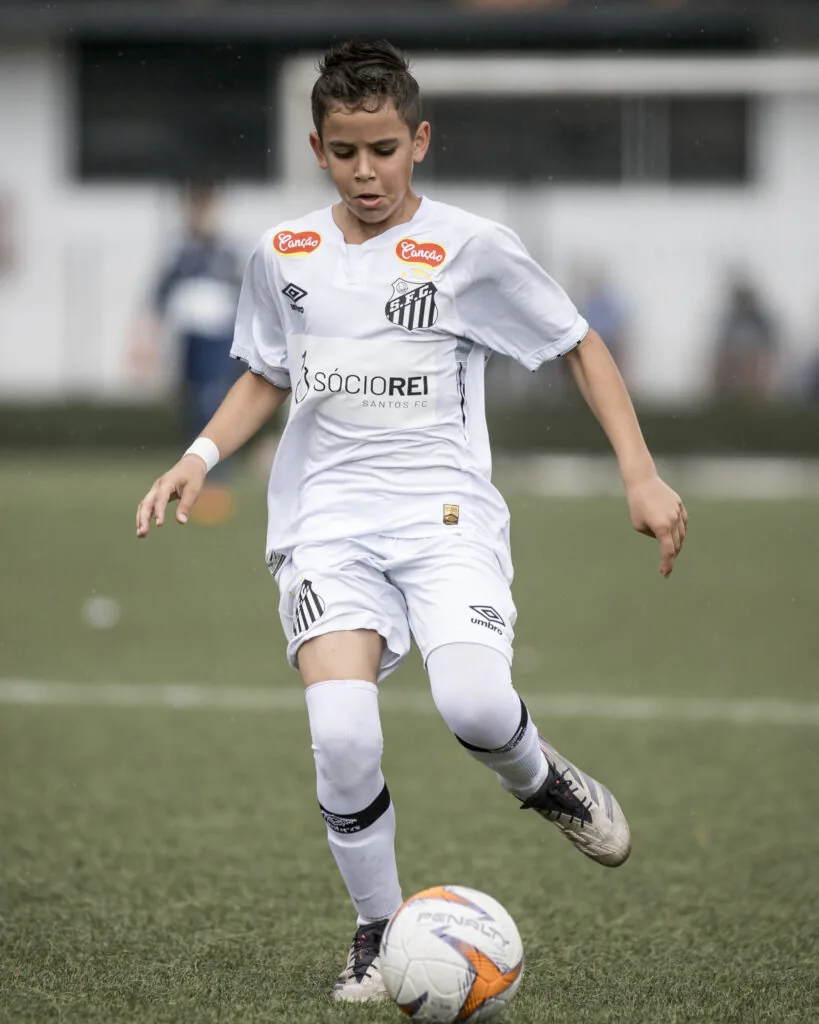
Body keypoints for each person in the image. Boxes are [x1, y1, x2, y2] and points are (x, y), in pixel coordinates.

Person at [135, 40, 688, 1003]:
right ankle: (377, 929)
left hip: (445, 519)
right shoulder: (282, 253)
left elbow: (578, 344)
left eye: (384, 150)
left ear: (419, 142)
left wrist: (639, 476)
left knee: (473, 705)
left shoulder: (472, 248)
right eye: (346, 153)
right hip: (325, 524)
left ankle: (539, 778)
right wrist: (198, 455)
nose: (366, 172)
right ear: (317, 149)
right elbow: (267, 371)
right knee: (343, 734)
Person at [129, 183, 243, 524]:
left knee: (212, 403)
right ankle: (195, 475)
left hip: (219, 341)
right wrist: (146, 343)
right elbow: (158, 300)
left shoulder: (227, 253)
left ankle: (217, 482)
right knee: (194, 404)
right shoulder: (180, 254)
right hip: (190, 340)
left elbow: (245, 300)